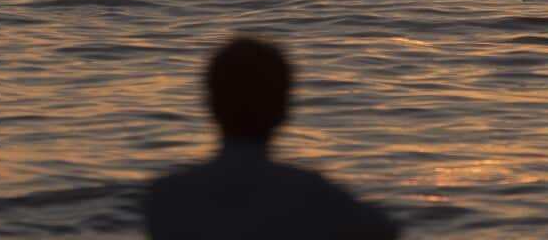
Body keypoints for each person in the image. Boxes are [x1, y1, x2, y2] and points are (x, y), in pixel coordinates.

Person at [145, 36, 400, 239]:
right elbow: (385, 231)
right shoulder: (313, 195)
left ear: (210, 105)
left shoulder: (165, 197)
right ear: (284, 109)